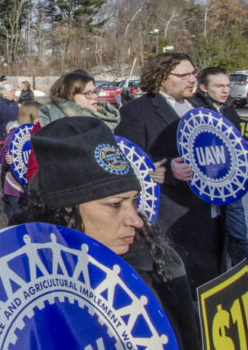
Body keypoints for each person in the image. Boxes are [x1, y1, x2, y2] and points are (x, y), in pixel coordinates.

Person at [15, 116, 199, 350]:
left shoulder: (161, 266)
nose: (136, 221)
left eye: (134, 201)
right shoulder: (21, 287)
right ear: (66, 211)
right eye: (115, 204)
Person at [116, 52, 224, 292]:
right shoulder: (137, 111)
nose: (192, 79)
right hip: (170, 219)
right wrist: (167, 168)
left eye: (193, 73)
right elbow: (129, 161)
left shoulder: (201, 106)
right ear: (161, 77)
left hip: (211, 214)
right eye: (183, 75)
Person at [190, 66, 248, 267]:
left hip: (230, 184)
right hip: (204, 186)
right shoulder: (194, 110)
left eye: (227, 86)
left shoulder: (230, 110)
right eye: (219, 86)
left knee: (238, 234)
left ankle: (245, 275)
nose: (225, 90)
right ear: (204, 87)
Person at [0, 100, 41, 218]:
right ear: (30, 117)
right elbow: (1, 156)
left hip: (34, 185)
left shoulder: (40, 133)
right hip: (15, 186)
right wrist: (7, 159)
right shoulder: (14, 134)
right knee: (17, 218)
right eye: (39, 117)